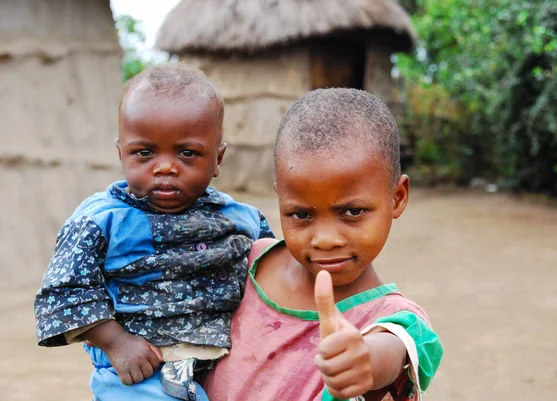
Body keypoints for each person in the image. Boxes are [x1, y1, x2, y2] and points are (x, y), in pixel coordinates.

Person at [34, 64, 274, 401]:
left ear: (217, 159)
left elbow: (274, 280)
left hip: (227, 362)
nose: (164, 166)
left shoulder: (242, 220)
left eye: (187, 153)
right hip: (142, 369)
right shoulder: (100, 220)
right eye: (144, 152)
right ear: (122, 154)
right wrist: (115, 341)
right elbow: (64, 292)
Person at [203, 88, 444, 401]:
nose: (325, 240)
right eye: (301, 214)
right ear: (280, 197)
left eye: (352, 212)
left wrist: (364, 359)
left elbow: (398, 349)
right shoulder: (250, 261)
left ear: (397, 197)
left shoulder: (389, 317)